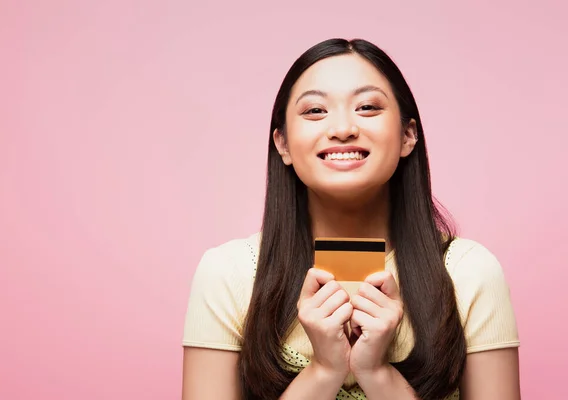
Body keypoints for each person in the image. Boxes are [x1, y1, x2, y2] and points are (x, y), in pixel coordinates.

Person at [181, 38, 521, 400]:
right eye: (314, 111)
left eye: (368, 107)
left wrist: (376, 373)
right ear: (282, 144)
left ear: (408, 135)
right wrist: (325, 370)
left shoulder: (470, 273)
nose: (342, 128)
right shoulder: (228, 274)